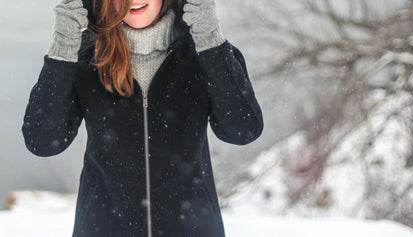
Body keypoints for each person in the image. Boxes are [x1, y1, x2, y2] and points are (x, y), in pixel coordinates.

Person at [21, 0, 264, 236]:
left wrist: (209, 37)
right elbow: (42, 141)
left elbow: (243, 130)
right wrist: (63, 46)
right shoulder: (86, 58)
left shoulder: (205, 52)